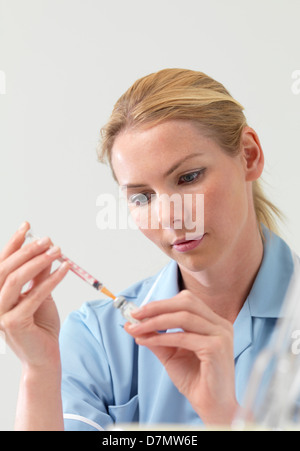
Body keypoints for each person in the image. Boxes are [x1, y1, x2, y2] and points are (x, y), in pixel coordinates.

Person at [0, 68, 296, 431]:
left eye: (188, 178)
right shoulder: (101, 337)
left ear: (249, 156)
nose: (170, 218)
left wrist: (227, 420)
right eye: (142, 197)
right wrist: (39, 371)